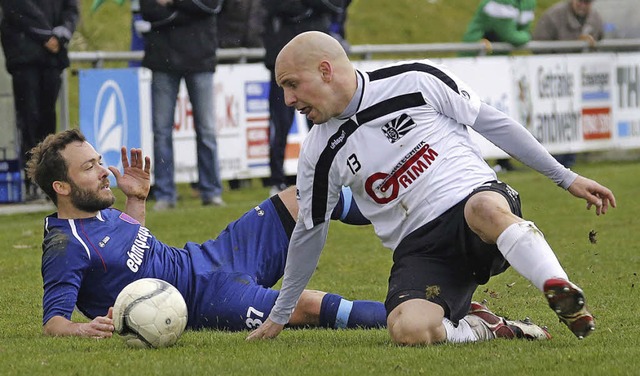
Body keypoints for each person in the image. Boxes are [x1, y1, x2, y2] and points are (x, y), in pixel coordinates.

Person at [246, 31, 616, 345]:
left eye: (292, 85)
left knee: (484, 209)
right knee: (408, 330)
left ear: (325, 71)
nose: (288, 100)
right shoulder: (318, 151)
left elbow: (495, 125)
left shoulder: (414, 79)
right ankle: (478, 327)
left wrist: (566, 177)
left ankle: (561, 289)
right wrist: (280, 314)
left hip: (474, 210)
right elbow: (310, 232)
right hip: (421, 251)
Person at [27, 129, 391, 338]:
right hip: (206, 300)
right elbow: (53, 323)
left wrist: (136, 200)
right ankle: (419, 320)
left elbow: (131, 251)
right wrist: (84, 330)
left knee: (301, 197)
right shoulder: (64, 246)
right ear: (61, 186)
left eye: (98, 160)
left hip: (210, 256)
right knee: (307, 306)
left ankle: (408, 214)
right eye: (89, 167)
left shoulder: (100, 213)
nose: (104, 171)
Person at [139, 0, 225, 210]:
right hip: (163, 59)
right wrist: (190, 12)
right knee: (161, 132)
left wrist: (173, 3)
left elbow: (211, 6)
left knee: (206, 130)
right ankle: (165, 194)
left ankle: (211, 191)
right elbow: (150, 11)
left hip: (200, 58)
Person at [262, 0, 346, 196]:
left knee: (323, 124)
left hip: (315, 63)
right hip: (283, 60)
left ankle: (328, 176)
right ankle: (276, 180)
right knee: (280, 123)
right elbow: (274, 7)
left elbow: (336, 5)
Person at [0, 0, 79, 201]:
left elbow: (71, 8)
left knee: (48, 121)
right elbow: (17, 8)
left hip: (52, 57)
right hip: (24, 53)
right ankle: (31, 181)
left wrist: (63, 32)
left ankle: (48, 181)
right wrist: (46, 35)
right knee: (29, 118)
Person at [461, 0, 536, 172]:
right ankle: (476, 159)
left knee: (501, 113)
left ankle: (502, 160)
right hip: (474, 63)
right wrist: (526, 37)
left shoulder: (529, 2)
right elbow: (513, 35)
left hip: (498, 64)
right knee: (473, 113)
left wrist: (524, 36)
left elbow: (522, 33)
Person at [533, 0, 604, 169]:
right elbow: (538, 44)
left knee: (574, 116)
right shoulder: (553, 15)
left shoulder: (595, 18)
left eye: (587, 2)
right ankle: (551, 159)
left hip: (577, 80)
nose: (583, 5)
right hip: (553, 79)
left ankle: (570, 158)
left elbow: (600, 40)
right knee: (554, 117)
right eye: (580, 1)